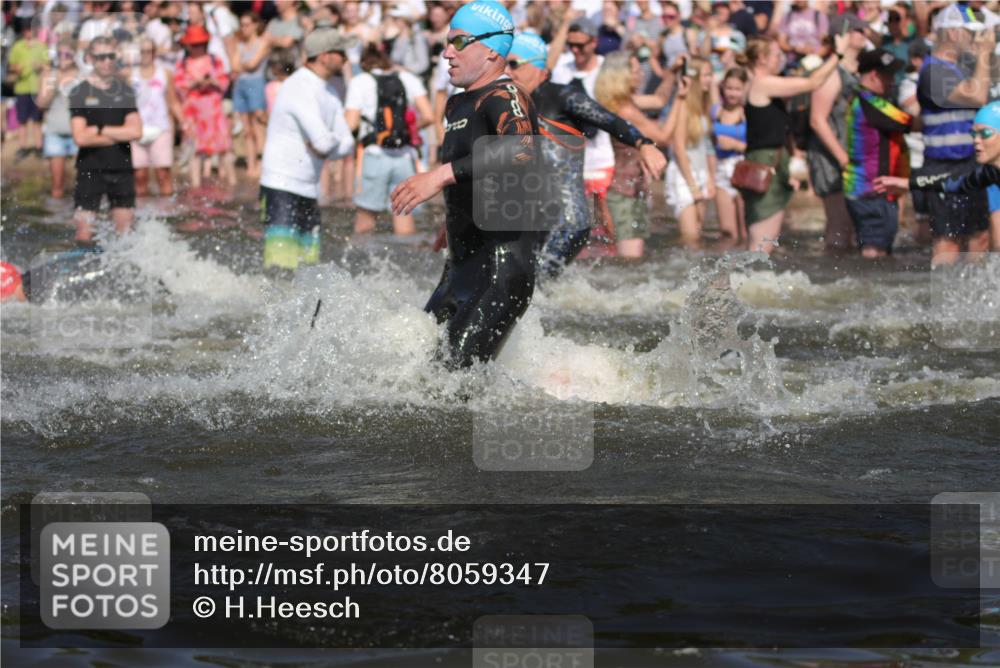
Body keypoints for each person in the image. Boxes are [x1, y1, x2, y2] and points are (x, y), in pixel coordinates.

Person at [389, 1, 539, 369]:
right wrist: (457, 217)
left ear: (492, 51)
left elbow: (521, 149)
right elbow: (480, 170)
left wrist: (439, 176)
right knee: (417, 375)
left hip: (500, 272)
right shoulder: (457, 104)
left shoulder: (506, 96)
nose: (447, 53)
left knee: (452, 385)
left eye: (459, 42)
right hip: (458, 269)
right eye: (446, 42)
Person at [507, 33, 669, 271]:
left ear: (539, 67)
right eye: (504, 65)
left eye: (514, 64)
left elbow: (609, 120)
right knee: (527, 282)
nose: (507, 72)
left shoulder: (562, 96)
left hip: (568, 222)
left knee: (533, 281)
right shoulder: (511, 105)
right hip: (536, 218)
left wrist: (642, 143)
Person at [737, 33, 844, 254]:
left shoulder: (754, 83)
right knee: (762, 245)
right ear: (762, 59)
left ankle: (744, 275)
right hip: (767, 162)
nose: (781, 59)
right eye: (777, 55)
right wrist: (838, 55)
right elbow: (813, 83)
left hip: (764, 160)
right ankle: (745, 276)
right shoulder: (763, 83)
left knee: (760, 240)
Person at [259, 28, 356, 272]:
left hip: (309, 188)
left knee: (308, 269)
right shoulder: (298, 86)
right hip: (281, 185)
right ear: (324, 56)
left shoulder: (330, 91)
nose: (346, 58)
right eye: (341, 52)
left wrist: (325, 145)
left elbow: (347, 144)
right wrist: (326, 144)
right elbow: (325, 142)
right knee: (279, 268)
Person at [915, 5, 994, 265]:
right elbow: (976, 96)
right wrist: (985, 52)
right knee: (948, 240)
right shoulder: (932, 71)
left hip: (970, 163)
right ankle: (942, 288)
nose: (974, 38)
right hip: (943, 166)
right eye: (969, 32)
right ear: (951, 32)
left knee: (979, 235)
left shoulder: (960, 67)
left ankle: (974, 288)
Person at [875, 100, 1000, 252]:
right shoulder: (990, 173)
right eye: (973, 133)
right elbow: (954, 182)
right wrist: (908, 183)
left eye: (985, 133)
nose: (976, 140)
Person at [345, 43, 433, 237]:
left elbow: (351, 123)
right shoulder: (408, 78)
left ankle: (361, 254)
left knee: (366, 218)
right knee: (403, 213)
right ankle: (406, 253)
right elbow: (428, 116)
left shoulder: (360, 82)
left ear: (364, 63)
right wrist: (406, 131)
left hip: (374, 155)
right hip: (405, 156)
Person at [550, 17, 616, 251]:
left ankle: (614, 260)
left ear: (594, 42)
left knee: (606, 223)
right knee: (575, 226)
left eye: (580, 45)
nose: (575, 50)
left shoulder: (607, 69)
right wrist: (565, 23)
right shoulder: (562, 70)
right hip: (570, 161)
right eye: (571, 45)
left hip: (602, 158)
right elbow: (546, 66)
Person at [69, 37, 143, 244]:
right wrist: (119, 134)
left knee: (125, 235)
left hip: (121, 168)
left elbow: (136, 131)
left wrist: (100, 130)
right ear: (91, 58)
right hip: (90, 168)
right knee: (84, 235)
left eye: (111, 56)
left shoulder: (125, 91)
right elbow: (80, 137)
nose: (107, 62)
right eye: (101, 57)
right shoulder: (80, 92)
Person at [842, 48, 911, 258]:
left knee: (879, 248)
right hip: (871, 190)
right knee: (874, 252)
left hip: (869, 189)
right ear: (874, 75)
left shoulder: (862, 98)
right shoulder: (870, 101)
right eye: (888, 75)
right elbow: (909, 122)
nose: (893, 81)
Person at [808, 12, 868, 253]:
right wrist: (843, 159)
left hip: (854, 155)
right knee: (839, 227)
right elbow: (817, 120)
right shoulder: (832, 73)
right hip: (832, 157)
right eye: (858, 30)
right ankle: (830, 271)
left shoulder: (860, 70)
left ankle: (849, 272)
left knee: (854, 227)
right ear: (841, 36)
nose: (864, 34)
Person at [174, 24, 235, 188]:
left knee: (224, 148)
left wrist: (212, 81)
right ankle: (195, 186)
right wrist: (194, 83)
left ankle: (232, 184)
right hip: (193, 112)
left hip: (214, 110)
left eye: (200, 44)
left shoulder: (215, 60)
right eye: (194, 45)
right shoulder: (183, 64)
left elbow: (224, 82)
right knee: (194, 149)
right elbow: (178, 86)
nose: (198, 48)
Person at [666, 55, 716, 248]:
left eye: (710, 75)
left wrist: (710, 178)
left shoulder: (702, 105)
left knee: (698, 233)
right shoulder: (684, 105)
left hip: (700, 171)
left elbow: (705, 146)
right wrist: (693, 186)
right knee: (690, 237)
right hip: (683, 174)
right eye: (706, 75)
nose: (710, 79)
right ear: (694, 78)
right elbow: (678, 148)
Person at [129, 37, 181, 197]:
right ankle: (143, 209)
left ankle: (166, 208)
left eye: (149, 51)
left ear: (154, 53)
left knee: (163, 174)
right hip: (137, 129)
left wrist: (185, 122)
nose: (146, 55)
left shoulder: (165, 73)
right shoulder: (130, 75)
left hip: (161, 127)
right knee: (139, 176)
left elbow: (173, 101)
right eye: (142, 51)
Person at [36, 41, 79, 198]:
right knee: (57, 184)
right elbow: (40, 104)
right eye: (59, 54)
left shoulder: (82, 75)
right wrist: (54, 87)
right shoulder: (48, 75)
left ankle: (76, 210)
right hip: (54, 132)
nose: (63, 58)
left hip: (78, 133)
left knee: (83, 182)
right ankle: (57, 212)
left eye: (67, 54)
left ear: (74, 56)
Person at [231, 11, 271, 179]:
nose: (244, 28)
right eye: (242, 25)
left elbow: (253, 64)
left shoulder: (262, 42)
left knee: (258, 126)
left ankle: (261, 163)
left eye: (247, 24)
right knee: (247, 129)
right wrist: (244, 65)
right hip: (241, 85)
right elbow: (234, 66)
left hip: (256, 84)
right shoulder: (240, 44)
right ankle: (251, 164)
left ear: (255, 25)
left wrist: (243, 65)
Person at [712, 67, 748, 244]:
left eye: (737, 89)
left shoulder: (748, 113)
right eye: (729, 88)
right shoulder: (715, 111)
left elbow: (759, 144)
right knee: (727, 233)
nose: (732, 93)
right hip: (720, 170)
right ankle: (725, 262)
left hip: (743, 169)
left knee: (746, 232)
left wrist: (735, 145)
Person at [8, 19, 48, 157]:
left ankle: (38, 147)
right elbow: (12, 65)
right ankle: (23, 147)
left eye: (30, 29)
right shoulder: (17, 46)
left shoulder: (42, 46)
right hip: (22, 88)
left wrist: (41, 66)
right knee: (22, 120)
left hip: (37, 88)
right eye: (25, 29)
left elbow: (48, 66)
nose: (28, 32)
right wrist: (17, 69)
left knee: (37, 120)